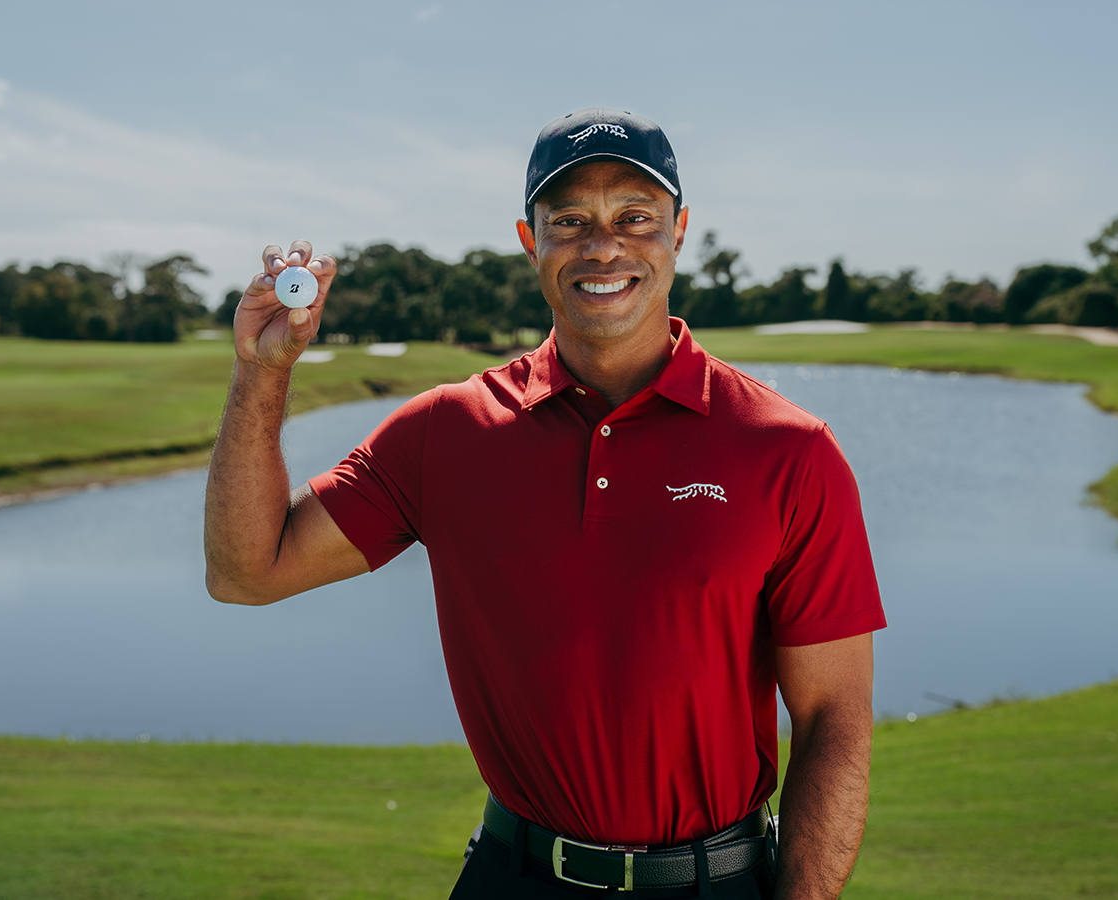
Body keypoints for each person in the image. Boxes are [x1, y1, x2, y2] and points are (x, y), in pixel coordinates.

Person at [204, 108, 886, 900]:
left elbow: (835, 715)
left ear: (679, 231)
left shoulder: (790, 450)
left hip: (715, 883)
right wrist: (263, 373)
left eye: (636, 217)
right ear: (531, 239)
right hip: (513, 877)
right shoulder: (447, 432)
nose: (604, 246)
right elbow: (247, 571)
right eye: (570, 220)